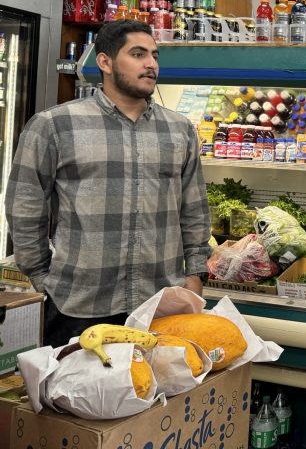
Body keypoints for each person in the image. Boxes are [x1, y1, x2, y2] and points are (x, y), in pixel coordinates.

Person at [6, 20, 211, 348]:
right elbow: (25, 207)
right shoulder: (55, 125)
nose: (151, 64)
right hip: (78, 306)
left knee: (154, 397)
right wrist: (43, 276)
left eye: (155, 56)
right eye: (138, 54)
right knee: (74, 398)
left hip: (159, 306)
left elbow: (195, 210)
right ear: (105, 62)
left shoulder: (179, 130)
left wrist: (195, 275)